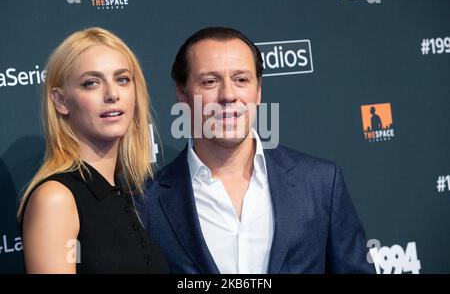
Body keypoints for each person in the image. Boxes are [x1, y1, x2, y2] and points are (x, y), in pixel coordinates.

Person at [139, 26, 375, 274]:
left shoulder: (321, 183)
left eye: (241, 80)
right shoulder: (147, 204)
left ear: (258, 91)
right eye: (210, 81)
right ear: (182, 95)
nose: (228, 95)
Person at [17, 27, 168, 274]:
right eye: (91, 83)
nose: (112, 94)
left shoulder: (124, 194)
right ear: (60, 101)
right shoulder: (56, 199)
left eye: (122, 79)